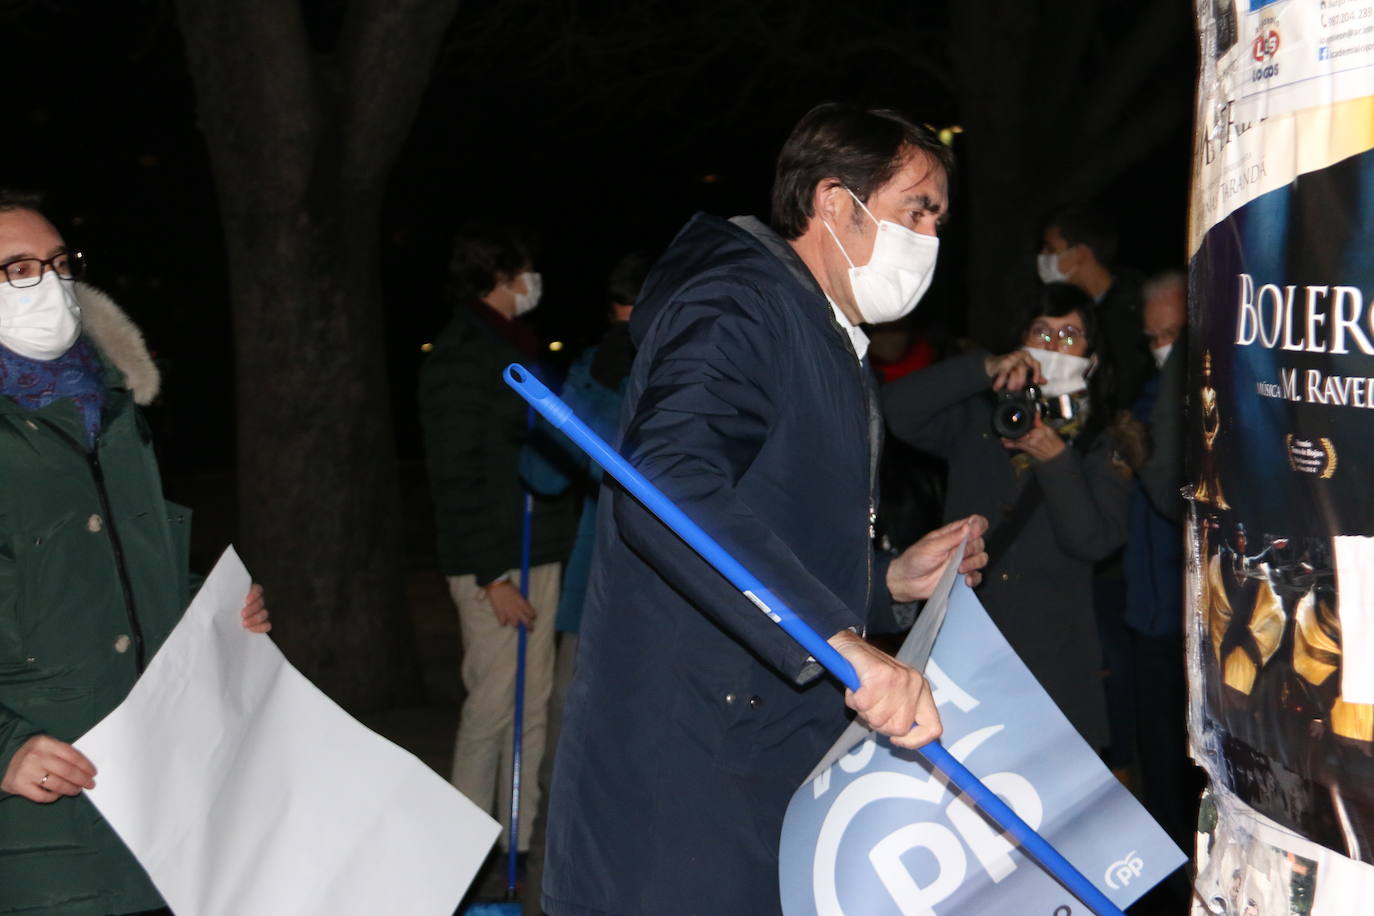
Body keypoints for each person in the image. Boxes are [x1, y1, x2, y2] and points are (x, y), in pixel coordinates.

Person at [542, 103, 988, 916]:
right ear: (832, 203)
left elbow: (772, 524)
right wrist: (843, 640)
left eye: (938, 219)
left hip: (755, 744)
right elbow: (668, 488)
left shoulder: (818, 325)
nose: (929, 236)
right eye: (914, 209)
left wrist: (886, 581)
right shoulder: (742, 304)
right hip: (690, 766)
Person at [0, 191, 270, 915]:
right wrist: (4, 748)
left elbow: (115, 565)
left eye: (57, 264)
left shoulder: (111, 408)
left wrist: (209, 613)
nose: (48, 286)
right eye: (17, 269)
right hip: (37, 799)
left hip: (150, 768)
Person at [884, 282, 1134, 750]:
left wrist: (1056, 458)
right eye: (1041, 331)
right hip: (965, 644)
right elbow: (896, 410)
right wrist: (983, 369)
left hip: (1052, 660)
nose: (1052, 346)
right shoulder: (980, 419)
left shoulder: (1108, 441)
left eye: (1069, 336)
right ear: (1021, 341)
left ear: (1092, 357)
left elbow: (1095, 541)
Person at [417, 225, 576, 867]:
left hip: (534, 548)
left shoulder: (515, 347)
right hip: (498, 563)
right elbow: (455, 476)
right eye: (526, 272)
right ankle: (459, 845)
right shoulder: (462, 357)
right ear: (501, 277)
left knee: (530, 702)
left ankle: (518, 838)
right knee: (491, 703)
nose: (533, 284)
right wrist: (491, 576)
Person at [1039, 204, 1151, 412]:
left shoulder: (1136, 313)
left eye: (1050, 249)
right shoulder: (1069, 309)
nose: (1042, 257)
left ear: (1080, 254)